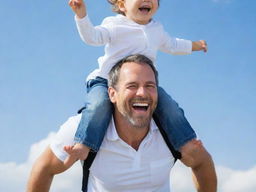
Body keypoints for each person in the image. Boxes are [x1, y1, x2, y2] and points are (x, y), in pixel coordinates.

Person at [65, 0, 208, 164]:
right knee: (98, 106)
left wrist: (195, 45)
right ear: (122, 5)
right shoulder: (115, 25)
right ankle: (84, 145)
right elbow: (92, 37)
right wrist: (82, 17)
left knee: (170, 107)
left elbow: (173, 45)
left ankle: (186, 142)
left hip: (142, 85)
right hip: (106, 80)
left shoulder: (156, 29)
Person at [27, 54, 217, 192]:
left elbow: (202, 162)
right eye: (132, 86)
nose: (142, 93)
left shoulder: (172, 130)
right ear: (112, 94)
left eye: (149, 86)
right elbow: (44, 168)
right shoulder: (83, 130)